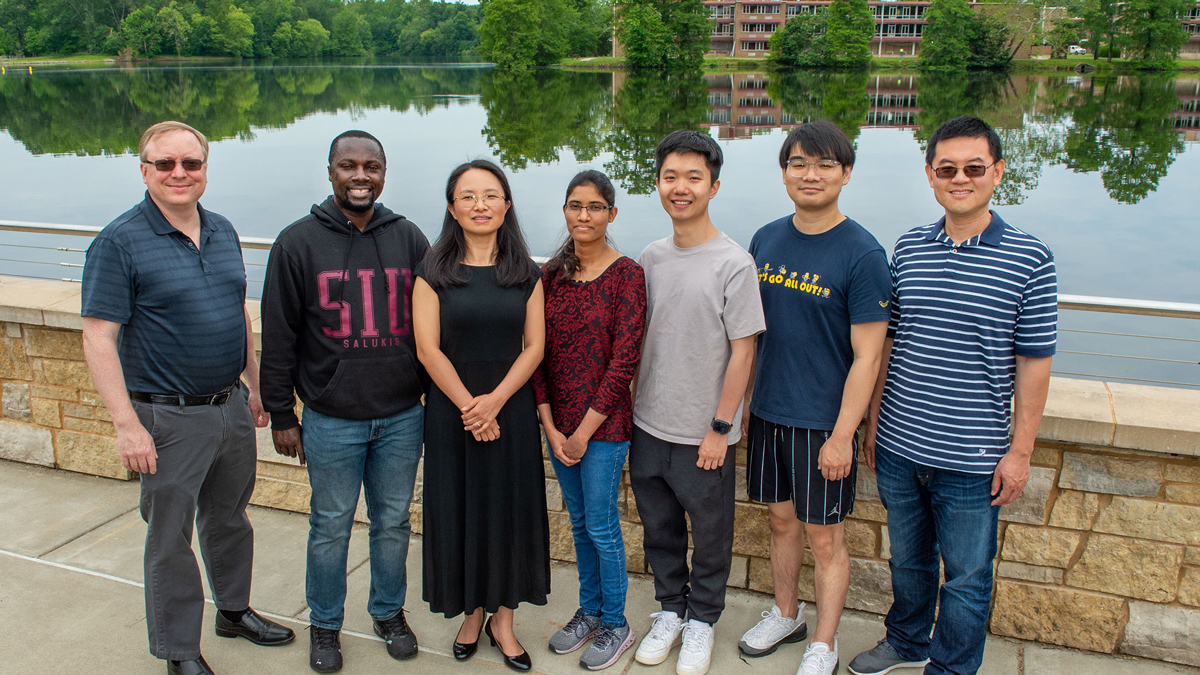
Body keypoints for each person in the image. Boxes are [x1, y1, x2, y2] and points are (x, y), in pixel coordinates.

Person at [80, 121, 295, 675]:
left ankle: (233, 611)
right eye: (165, 164)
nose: (179, 173)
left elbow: (236, 314)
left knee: (229, 517)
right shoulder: (119, 241)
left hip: (228, 407)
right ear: (144, 170)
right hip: (166, 416)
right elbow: (98, 336)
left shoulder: (222, 230)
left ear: (205, 168)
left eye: (191, 164)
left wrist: (253, 385)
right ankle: (178, 650)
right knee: (171, 537)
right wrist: (128, 425)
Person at [848, 116, 1057, 675]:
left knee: (966, 578)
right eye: (947, 169)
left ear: (997, 173)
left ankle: (951, 668)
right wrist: (872, 425)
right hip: (898, 446)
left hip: (973, 457)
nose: (959, 178)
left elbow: (1035, 365)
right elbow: (887, 345)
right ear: (930, 175)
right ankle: (908, 641)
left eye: (973, 168)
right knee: (908, 563)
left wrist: (1021, 451)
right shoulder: (909, 248)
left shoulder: (1030, 258)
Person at [258, 130, 429, 673]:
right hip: (331, 419)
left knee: (393, 521)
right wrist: (282, 413)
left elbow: (438, 320)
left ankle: (387, 612)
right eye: (348, 165)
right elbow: (280, 333)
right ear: (330, 171)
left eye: (371, 166)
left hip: (403, 414)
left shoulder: (408, 238)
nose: (361, 176)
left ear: (384, 172)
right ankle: (326, 624)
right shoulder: (297, 243)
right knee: (330, 524)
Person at [738, 122, 891, 675]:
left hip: (822, 424)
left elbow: (870, 358)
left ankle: (823, 643)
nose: (811, 174)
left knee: (825, 539)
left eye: (825, 164)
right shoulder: (765, 239)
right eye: (800, 163)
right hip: (768, 414)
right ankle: (785, 613)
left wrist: (845, 435)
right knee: (780, 523)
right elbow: (750, 335)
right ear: (784, 173)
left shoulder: (863, 254)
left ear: (845, 174)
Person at [631, 130, 765, 675]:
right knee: (658, 528)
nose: (680, 188)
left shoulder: (733, 262)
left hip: (702, 433)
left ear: (713, 186)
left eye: (693, 178)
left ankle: (703, 620)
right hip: (648, 424)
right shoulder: (650, 257)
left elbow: (743, 351)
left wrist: (720, 425)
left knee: (710, 535)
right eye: (670, 177)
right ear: (658, 184)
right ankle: (671, 611)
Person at [414, 159, 549, 673]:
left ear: (506, 204)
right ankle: (471, 614)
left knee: (510, 514)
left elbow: (534, 348)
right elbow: (428, 350)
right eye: (467, 196)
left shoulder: (525, 274)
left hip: (509, 411)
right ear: (452, 208)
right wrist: (472, 407)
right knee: (461, 510)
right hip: (451, 414)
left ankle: (505, 622)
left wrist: (493, 403)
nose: (480, 205)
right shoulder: (433, 273)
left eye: (490, 195)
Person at [533, 170, 647, 671]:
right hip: (558, 429)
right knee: (578, 522)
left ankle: (616, 624)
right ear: (564, 211)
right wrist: (551, 426)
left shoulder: (628, 275)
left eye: (596, 207)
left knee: (601, 524)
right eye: (576, 206)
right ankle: (590, 611)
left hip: (604, 428)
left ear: (611, 214)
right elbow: (535, 355)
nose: (585, 215)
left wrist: (581, 432)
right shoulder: (550, 276)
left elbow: (624, 361)